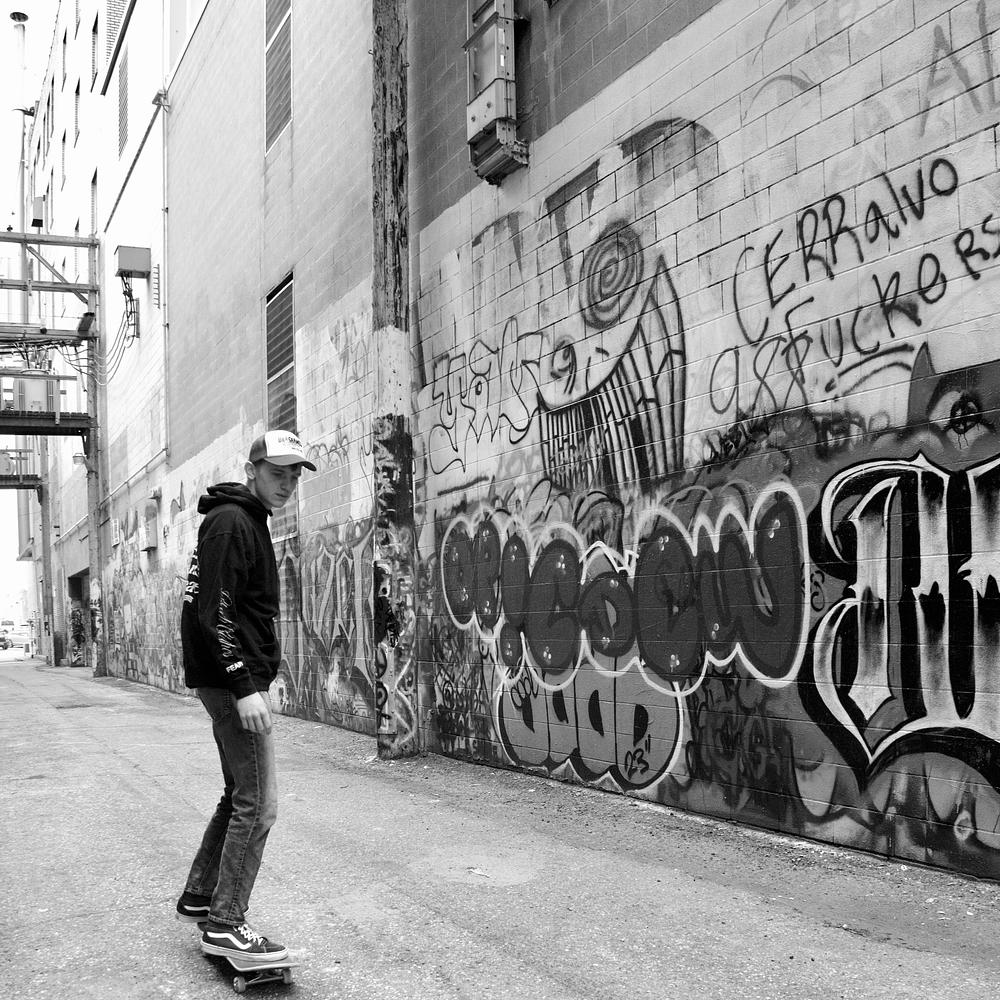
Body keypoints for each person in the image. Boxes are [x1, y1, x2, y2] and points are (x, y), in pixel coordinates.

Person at [175, 430, 315, 962]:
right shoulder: (233, 521)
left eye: (294, 475)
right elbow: (212, 612)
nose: (287, 484)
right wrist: (243, 686)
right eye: (278, 473)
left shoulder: (242, 518)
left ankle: (201, 895)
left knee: (239, 793)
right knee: (258, 805)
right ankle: (226, 923)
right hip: (233, 682)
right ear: (252, 470)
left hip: (228, 680)